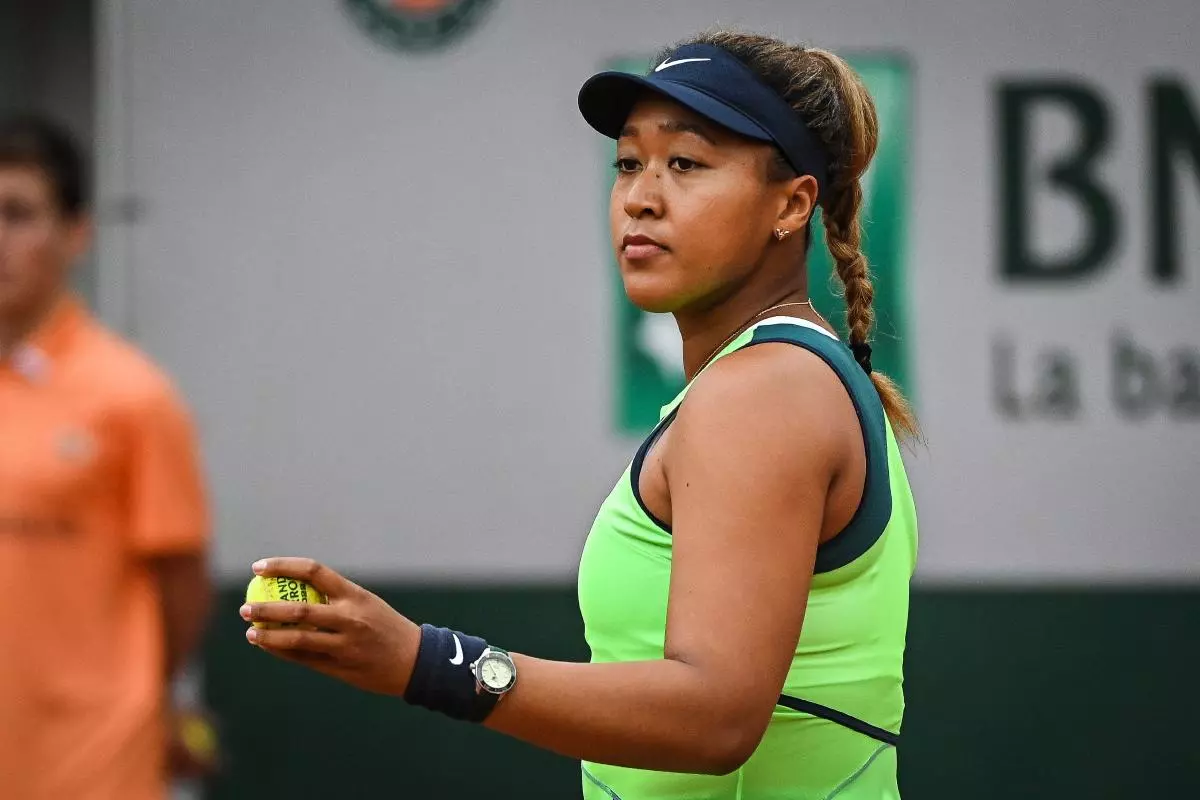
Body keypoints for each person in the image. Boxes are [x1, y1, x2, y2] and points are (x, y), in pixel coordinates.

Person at [240, 29, 920, 799]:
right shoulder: (776, 379)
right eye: (629, 163)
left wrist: (426, 662)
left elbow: (716, 718)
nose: (641, 196)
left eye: (687, 164)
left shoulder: (761, 392)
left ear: (791, 204)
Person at [0, 115, 215, 799]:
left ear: (77, 233)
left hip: (91, 769)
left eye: (17, 214)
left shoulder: (131, 396)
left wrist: (140, 700)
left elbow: (182, 582)